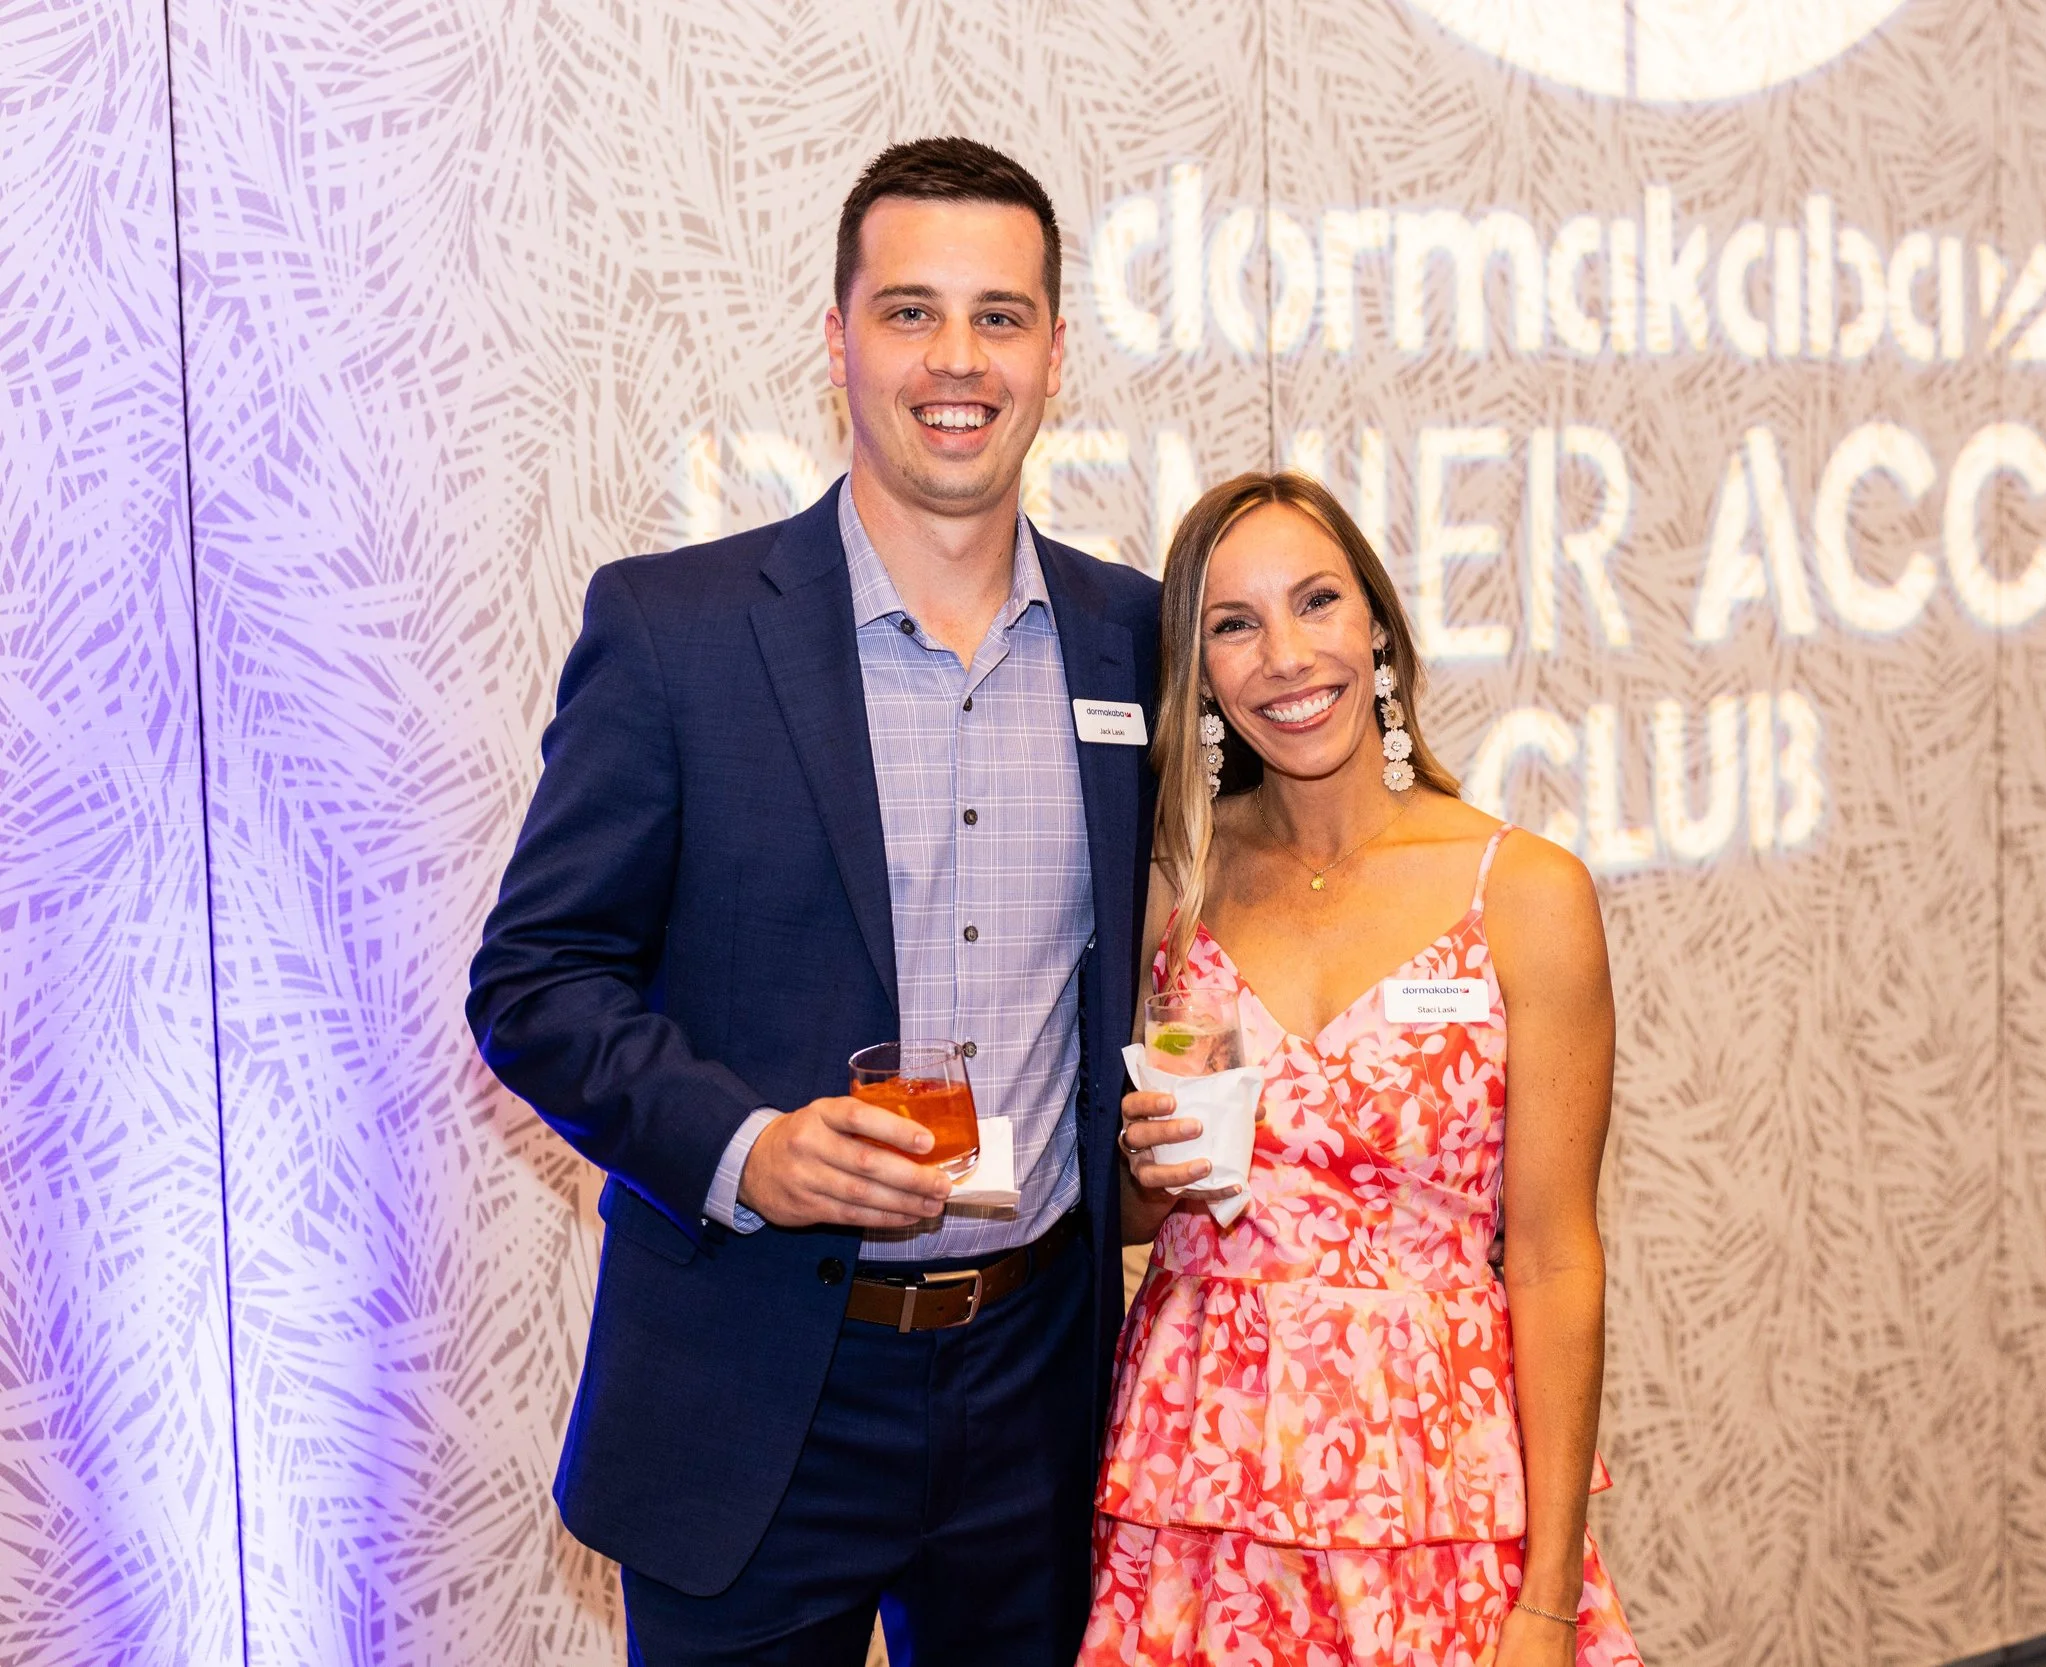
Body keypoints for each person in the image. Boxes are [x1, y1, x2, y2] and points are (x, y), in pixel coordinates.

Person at [466, 137, 1159, 1666]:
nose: (957, 359)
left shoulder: (1132, 639)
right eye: (910, 311)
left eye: (1000, 314)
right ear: (835, 339)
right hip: (754, 1379)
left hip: (1039, 1384)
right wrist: (748, 1147)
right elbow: (536, 980)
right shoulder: (674, 630)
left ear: (1056, 350)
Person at [1081, 473, 1645, 1667]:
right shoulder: (1171, 881)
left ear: (1376, 624)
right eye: (1233, 624)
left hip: (1433, 1487)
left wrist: (1546, 1601)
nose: (1286, 657)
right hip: (1199, 1480)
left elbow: (1551, 1258)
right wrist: (1144, 1170)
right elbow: (1138, 1211)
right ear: (1201, 671)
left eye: (1316, 602)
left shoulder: (1524, 891)